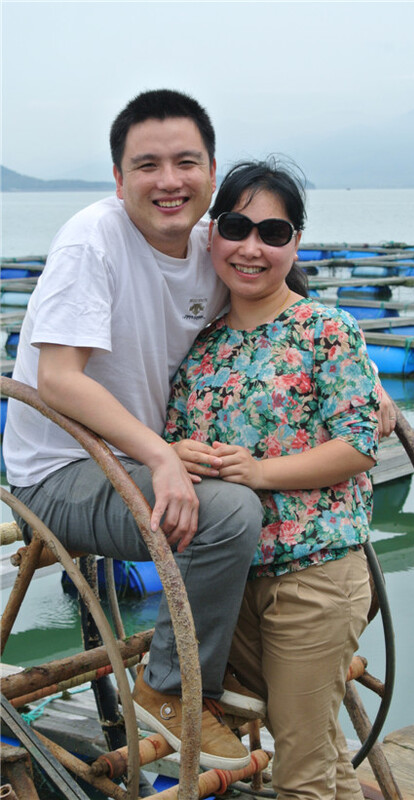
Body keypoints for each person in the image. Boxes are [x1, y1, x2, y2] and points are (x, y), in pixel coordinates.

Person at [2, 89, 265, 771]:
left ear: (212, 171)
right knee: (229, 512)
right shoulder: (92, 241)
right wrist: (161, 456)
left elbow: (282, 303)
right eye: (148, 165)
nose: (169, 181)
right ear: (119, 180)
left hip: (137, 457)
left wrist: (366, 383)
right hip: (58, 472)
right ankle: (169, 690)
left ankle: (236, 665)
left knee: (270, 484)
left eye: (186, 162)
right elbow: (58, 379)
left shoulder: (212, 244)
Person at [164, 158, 382, 800]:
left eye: (273, 233)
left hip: (314, 577)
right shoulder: (201, 348)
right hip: (231, 590)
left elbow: (358, 444)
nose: (252, 248)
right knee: (317, 752)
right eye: (236, 227)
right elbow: (174, 445)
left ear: (295, 244)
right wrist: (175, 452)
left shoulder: (326, 330)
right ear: (212, 235)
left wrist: (260, 472)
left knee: (300, 775)